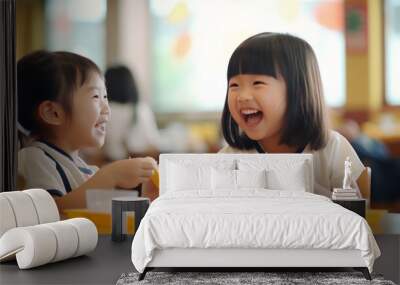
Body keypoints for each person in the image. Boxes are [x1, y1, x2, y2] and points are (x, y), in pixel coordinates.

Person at [219, 32, 364, 198]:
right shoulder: (229, 158)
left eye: (257, 83)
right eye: (234, 85)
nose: (243, 96)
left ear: (299, 91)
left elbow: (354, 214)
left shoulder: (333, 149)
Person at [17, 51, 157, 211]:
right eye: (96, 97)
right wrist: (110, 176)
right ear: (53, 113)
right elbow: (49, 211)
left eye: (106, 97)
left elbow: (102, 210)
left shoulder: (83, 167)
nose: (107, 109)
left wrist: (146, 196)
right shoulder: (34, 158)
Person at [103, 65, 161, 160]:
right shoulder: (141, 109)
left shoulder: (103, 110)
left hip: (108, 165)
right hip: (139, 165)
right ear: (131, 84)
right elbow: (153, 144)